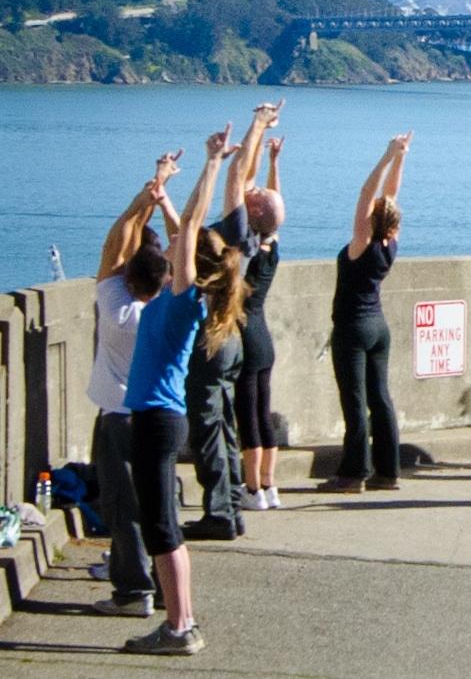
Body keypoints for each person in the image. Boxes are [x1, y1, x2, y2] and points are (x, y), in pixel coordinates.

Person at [122, 124, 246, 657]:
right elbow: (185, 230)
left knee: (161, 527)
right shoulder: (192, 294)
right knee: (164, 524)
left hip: (154, 418)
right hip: (162, 417)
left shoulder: (178, 300)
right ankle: (183, 622)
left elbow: (192, 225)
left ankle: (177, 628)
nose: (173, 244)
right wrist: (164, 192)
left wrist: (213, 161)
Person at [183, 100, 284, 541]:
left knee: (212, 425)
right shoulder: (253, 235)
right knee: (227, 423)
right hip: (236, 338)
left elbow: (236, 178)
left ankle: (220, 511)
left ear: (255, 211)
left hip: (215, 336)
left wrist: (256, 124)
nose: (253, 188)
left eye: (257, 196)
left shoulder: (237, 229)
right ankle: (230, 505)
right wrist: (259, 139)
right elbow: (247, 177)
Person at [87, 152, 180, 618]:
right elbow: (180, 248)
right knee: (160, 507)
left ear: (128, 276)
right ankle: (165, 590)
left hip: (120, 420)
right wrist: (163, 197)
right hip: (163, 418)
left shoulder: (119, 312)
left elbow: (117, 240)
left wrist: (148, 192)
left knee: (123, 508)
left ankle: (132, 593)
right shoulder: (170, 315)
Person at [319, 133, 412, 494]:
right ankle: (388, 470)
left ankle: (354, 472)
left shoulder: (361, 245)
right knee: (381, 398)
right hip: (378, 327)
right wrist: (401, 158)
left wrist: (387, 154)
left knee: (355, 401)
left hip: (352, 328)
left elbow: (365, 195)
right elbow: (389, 197)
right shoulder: (390, 245)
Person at [236, 133, 285, 510]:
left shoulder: (248, 252)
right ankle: (270, 486)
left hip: (246, 335)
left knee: (247, 414)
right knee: (263, 411)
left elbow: (253, 204)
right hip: (264, 337)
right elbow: (273, 207)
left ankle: (252, 489)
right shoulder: (272, 248)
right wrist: (273, 162)